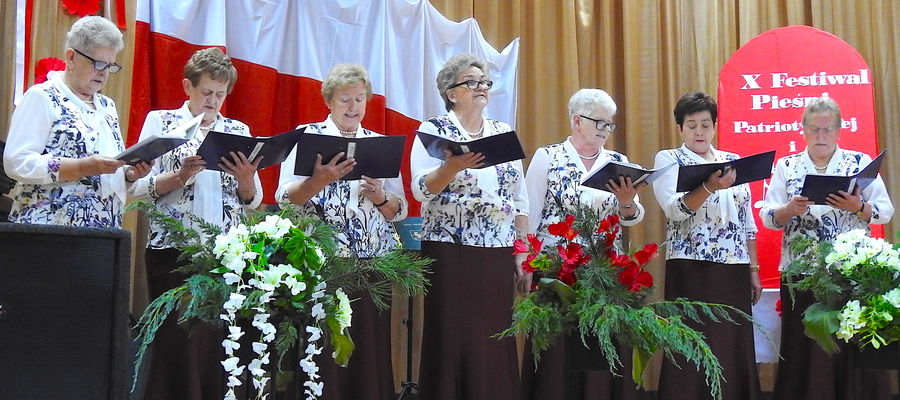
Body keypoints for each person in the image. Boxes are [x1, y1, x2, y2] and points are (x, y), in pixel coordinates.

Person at [129, 47, 263, 400]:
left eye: (221, 94)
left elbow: (253, 200)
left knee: (217, 344)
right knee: (177, 341)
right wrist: (178, 176)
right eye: (207, 92)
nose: (214, 101)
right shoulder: (162, 123)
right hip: (173, 251)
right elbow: (135, 188)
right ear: (188, 87)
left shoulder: (238, 130)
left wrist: (247, 178)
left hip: (227, 255)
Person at [276, 63, 406, 400]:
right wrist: (317, 181)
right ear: (330, 102)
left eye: (360, 99)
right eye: (346, 99)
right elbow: (285, 201)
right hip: (322, 262)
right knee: (324, 344)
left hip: (373, 263)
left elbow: (399, 210)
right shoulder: (308, 137)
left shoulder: (378, 144)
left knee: (369, 346)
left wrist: (380, 196)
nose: (354, 107)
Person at [410, 53, 527, 400]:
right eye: (471, 82)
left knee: (492, 336)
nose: (481, 88)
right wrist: (452, 167)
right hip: (450, 249)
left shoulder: (503, 132)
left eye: (485, 82)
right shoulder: (435, 131)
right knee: (453, 335)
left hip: (497, 250)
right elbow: (420, 189)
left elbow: (520, 199)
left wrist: (523, 251)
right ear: (451, 92)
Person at [761, 96, 894, 400]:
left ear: (838, 130)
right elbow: (768, 216)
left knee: (847, 346)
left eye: (827, 129)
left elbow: (885, 211)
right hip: (802, 273)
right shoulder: (787, 166)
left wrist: (858, 205)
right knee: (803, 349)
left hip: (849, 274)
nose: (821, 136)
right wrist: (788, 210)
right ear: (803, 130)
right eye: (814, 129)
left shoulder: (859, 163)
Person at [521, 88, 645, 400]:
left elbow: (631, 217)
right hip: (555, 270)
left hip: (603, 272)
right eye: (600, 123)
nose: (606, 130)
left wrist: (627, 201)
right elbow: (529, 213)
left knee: (597, 353)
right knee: (556, 354)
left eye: (610, 124)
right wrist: (526, 263)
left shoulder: (617, 161)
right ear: (577, 120)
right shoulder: (548, 156)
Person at [652, 91, 762, 400]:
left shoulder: (732, 163)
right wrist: (709, 187)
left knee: (730, 344)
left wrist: (753, 269)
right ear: (680, 129)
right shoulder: (669, 159)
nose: (699, 132)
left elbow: (747, 222)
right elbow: (674, 210)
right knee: (692, 343)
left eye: (705, 124)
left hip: (734, 268)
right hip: (690, 266)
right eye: (691, 125)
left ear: (714, 126)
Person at [3, 16, 150, 228]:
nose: (104, 73)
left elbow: (103, 174)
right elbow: (17, 162)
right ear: (71, 57)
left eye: (110, 66)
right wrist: (81, 167)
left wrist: (128, 175)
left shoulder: (107, 105)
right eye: (98, 64)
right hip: (49, 231)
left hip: (102, 232)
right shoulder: (43, 97)